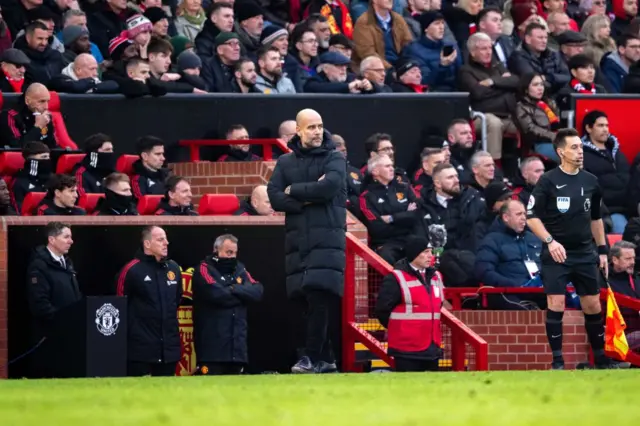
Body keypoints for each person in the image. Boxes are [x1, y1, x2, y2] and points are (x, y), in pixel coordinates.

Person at [526, 128, 620, 369]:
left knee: (593, 305)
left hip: (584, 252)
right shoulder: (547, 181)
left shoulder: (591, 181)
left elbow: (596, 218)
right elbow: (531, 216)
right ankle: (557, 361)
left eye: (581, 147)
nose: (580, 152)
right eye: (574, 147)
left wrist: (602, 250)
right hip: (556, 252)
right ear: (561, 152)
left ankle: (600, 358)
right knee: (556, 303)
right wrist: (550, 241)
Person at [267, 108, 346, 374]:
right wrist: (307, 200)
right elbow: (275, 196)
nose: (317, 131)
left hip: (327, 241)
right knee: (303, 301)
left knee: (318, 297)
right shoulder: (285, 163)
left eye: (320, 126)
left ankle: (310, 358)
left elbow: (329, 188)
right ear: (298, 131)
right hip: (297, 242)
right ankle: (327, 359)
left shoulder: (335, 157)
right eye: (311, 127)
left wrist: (295, 191)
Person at [115, 226, 183, 376]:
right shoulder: (131, 270)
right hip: (141, 350)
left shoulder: (174, 268)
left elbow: (177, 300)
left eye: (166, 239)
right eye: (160, 239)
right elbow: (119, 306)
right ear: (147, 244)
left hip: (169, 348)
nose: (166, 243)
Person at [192, 234, 264, 375]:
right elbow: (216, 294)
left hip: (237, 350)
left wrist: (232, 289)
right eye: (228, 252)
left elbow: (258, 291)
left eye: (235, 253)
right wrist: (242, 295)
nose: (232, 257)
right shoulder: (204, 269)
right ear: (216, 250)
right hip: (212, 351)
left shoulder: (240, 269)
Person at [375, 236, 444, 372]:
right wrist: (400, 329)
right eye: (425, 252)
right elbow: (382, 310)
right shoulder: (395, 278)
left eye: (430, 251)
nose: (430, 256)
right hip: (406, 349)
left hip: (431, 346)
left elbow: (438, 305)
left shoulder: (437, 277)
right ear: (414, 254)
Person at [26, 222, 82, 377]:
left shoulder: (67, 263)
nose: (71, 241)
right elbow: (39, 304)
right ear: (51, 239)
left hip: (70, 333)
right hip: (49, 335)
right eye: (66, 237)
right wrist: (62, 320)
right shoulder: (39, 266)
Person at [475, 199, 545, 309]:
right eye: (518, 214)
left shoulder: (533, 238)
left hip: (538, 291)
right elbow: (484, 271)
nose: (523, 218)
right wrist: (514, 286)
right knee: (523, 310)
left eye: (524, 214)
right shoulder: (492, 240)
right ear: (506, 217)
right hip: (508, 292)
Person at [359, 154, 417, 264]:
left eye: (392, 166)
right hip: (386, 243)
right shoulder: (366, 197)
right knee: (386, 256)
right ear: (375, 171)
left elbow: (418, 215)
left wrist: (392, 218)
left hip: (410, 239)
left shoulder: (404, 187)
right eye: (387, 166)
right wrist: (406, 215)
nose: (392, 169)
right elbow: (377, 229)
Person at [581, 110, 630, 234]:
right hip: (610, 212)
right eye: (600, 125)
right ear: (588, 128)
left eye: (607, 125)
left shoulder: (617, 152)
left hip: (630, 209)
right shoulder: (582, 156)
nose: (605, 129)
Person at [0, 83, 57, 149]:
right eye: (42, 101)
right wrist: (38, 127)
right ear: (27, 101)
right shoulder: (10, 116)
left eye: (48, 101)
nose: (46, 107)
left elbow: (53, 148)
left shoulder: (45, 117)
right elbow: (17, 148)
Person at [11, 141, 52, 214]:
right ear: (30, 159)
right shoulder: (19, 182)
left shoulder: (53, 179)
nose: (47, 160)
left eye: (48, 157)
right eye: (44, 157)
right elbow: (18, 211)